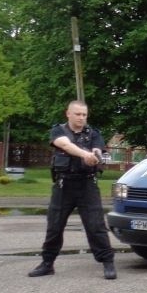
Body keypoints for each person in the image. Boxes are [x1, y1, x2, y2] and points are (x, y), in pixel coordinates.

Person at [28, 101, 117, 280]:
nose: (81, 118)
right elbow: (66, 145)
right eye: (77, 114)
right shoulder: (58, 131)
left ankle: (108, 263)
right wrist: (85, 155)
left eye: (84, 115)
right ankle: (47, 263)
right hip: (63, 186)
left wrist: (95, 157)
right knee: (54, 226)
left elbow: (97, 150)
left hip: (87, 185)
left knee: (96, 226)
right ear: (68, 114)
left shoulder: (94, 133)